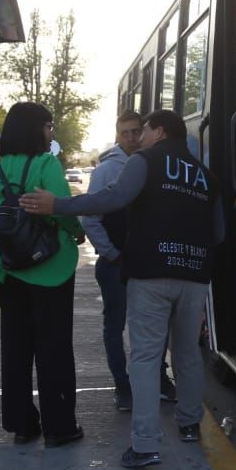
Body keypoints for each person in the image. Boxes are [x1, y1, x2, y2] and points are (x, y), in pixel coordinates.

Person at [21, 109, 223, 469]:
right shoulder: (206, 176)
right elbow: (219, 233)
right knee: (188, 354)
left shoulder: (144, 161)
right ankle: (190, 424)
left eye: (144, 130)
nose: (140, 138)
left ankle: (145, 446)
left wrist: (59, 205)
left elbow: (113, 198)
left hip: (150, 273)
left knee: (145, 357)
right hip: (195, 276)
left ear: (159, 132)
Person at [0, 102, 86, 447]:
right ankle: (60, 427)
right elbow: (62, 209)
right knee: (54, 349)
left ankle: (22, 424)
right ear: (36, 128)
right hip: (51, 270)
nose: (51, 131)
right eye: (49, 125)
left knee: (16, 349)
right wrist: (77, 232)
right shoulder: (46, 163)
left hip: (9, 270)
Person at [81, 111, 178, 412]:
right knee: (116, 325)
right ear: (117, 134)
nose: (133, 138)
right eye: (126, 133)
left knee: (154, 324)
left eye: (137, 131)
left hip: (149, 264)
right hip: (116, 265)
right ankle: (122, 387)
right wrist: (111, 253)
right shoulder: (107, 170)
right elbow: (90, 218)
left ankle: (158, 378)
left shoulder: (157, 165)